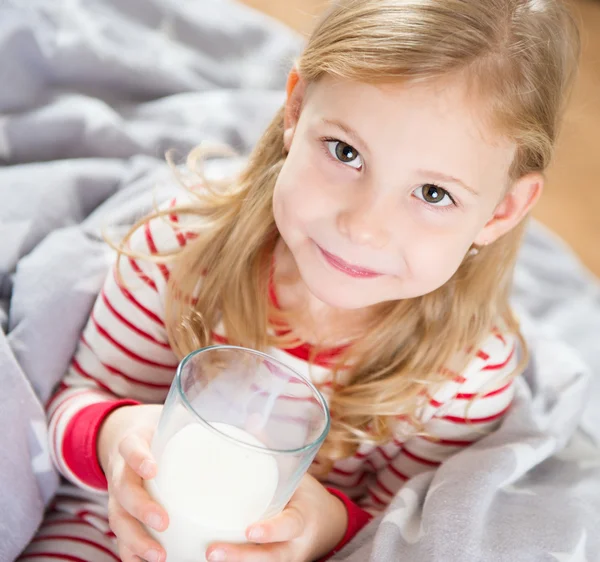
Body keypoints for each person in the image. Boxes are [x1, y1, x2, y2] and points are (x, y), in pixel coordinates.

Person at [21, 0, 580, 561]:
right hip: (108, 528)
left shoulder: (465, 379)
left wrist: (330, 526)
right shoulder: (178, 253)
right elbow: (62, 413)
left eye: (433, 193)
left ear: (502, 211)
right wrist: (114, 435)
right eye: (346, 153)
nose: (363, 228)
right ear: (295, 109)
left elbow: (400, 535)